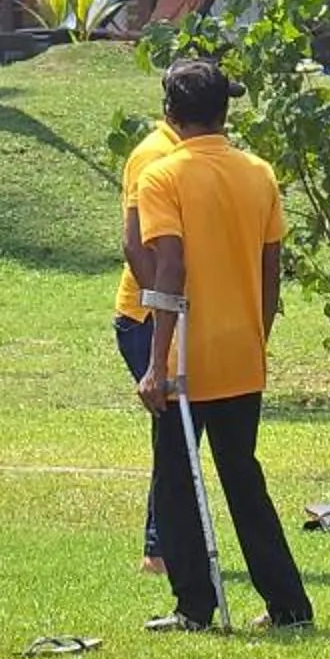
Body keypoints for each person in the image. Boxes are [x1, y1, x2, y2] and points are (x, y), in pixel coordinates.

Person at [133, 61, 313, 636]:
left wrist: (156, 363)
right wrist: (256, 336)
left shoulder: (162, 176)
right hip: (242, 351)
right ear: (223, 112)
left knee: (176, 482)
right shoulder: (259, 172)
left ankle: (194, 606)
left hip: (189, 354)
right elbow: (270, 271)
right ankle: (287, 602)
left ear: (170, 113)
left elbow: (169, 268)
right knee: (243, 478)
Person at [115, 113, 180, 573]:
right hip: (146, 316)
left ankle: (166, 545)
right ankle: (159, 550)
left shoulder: (182, 153)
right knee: (175, 430)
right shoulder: (155, 154)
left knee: (178, 432)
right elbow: (139, 247)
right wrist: (163, 315)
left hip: (168, 311)